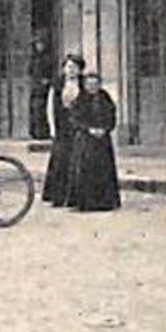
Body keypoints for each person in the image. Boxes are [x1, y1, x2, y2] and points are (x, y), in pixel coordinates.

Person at [68, 71, 121, 212]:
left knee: (104, 170)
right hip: (86, 140)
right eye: (89, 84)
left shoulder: (105, 98)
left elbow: (111, 115)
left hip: (102, 141)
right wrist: (88, 129)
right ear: (85, 85)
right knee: (86, 170)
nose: (92, 87)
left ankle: (105, 202)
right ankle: (87, 203)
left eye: (95, 84)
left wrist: (105, 129)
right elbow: (75, 119)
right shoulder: (80, 99)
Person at [42, 53, 85, 206]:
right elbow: (50, 108)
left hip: (78, 127)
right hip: (62, 127)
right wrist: (52, 128)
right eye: (68, 67)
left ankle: (75, 197)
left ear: (80, 70)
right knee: (60, 161)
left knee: (78, 160)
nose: (71, 70)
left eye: (74, 67)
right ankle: (58, 197)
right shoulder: (57, 84)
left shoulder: (84, 85)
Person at [27, 35, 54, 141]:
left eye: (41, 44)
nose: (39, 46)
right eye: (37, 44)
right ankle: (34, 132)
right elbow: (30, 71)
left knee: (42, 109)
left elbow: (50, 73)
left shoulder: (47, 58)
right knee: (34, 109)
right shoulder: (34, 58)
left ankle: (42, 133)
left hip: (44, 88)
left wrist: (46, 80)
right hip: (35, 87)